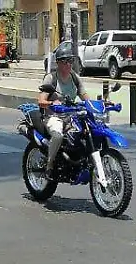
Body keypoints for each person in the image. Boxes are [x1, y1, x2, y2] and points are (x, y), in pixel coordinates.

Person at [37, 43, 86, 175]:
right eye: (65, 61)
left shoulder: (74, 77)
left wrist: (99, 103)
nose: (69, 64)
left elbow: (84, 96)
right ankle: (50, 164)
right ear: (58, 63)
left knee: (88, 132)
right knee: (58, 135)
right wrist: (52, 103)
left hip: (71, 117)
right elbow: (41, 100)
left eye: (71, 61)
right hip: (54, 117)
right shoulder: (51, 78)